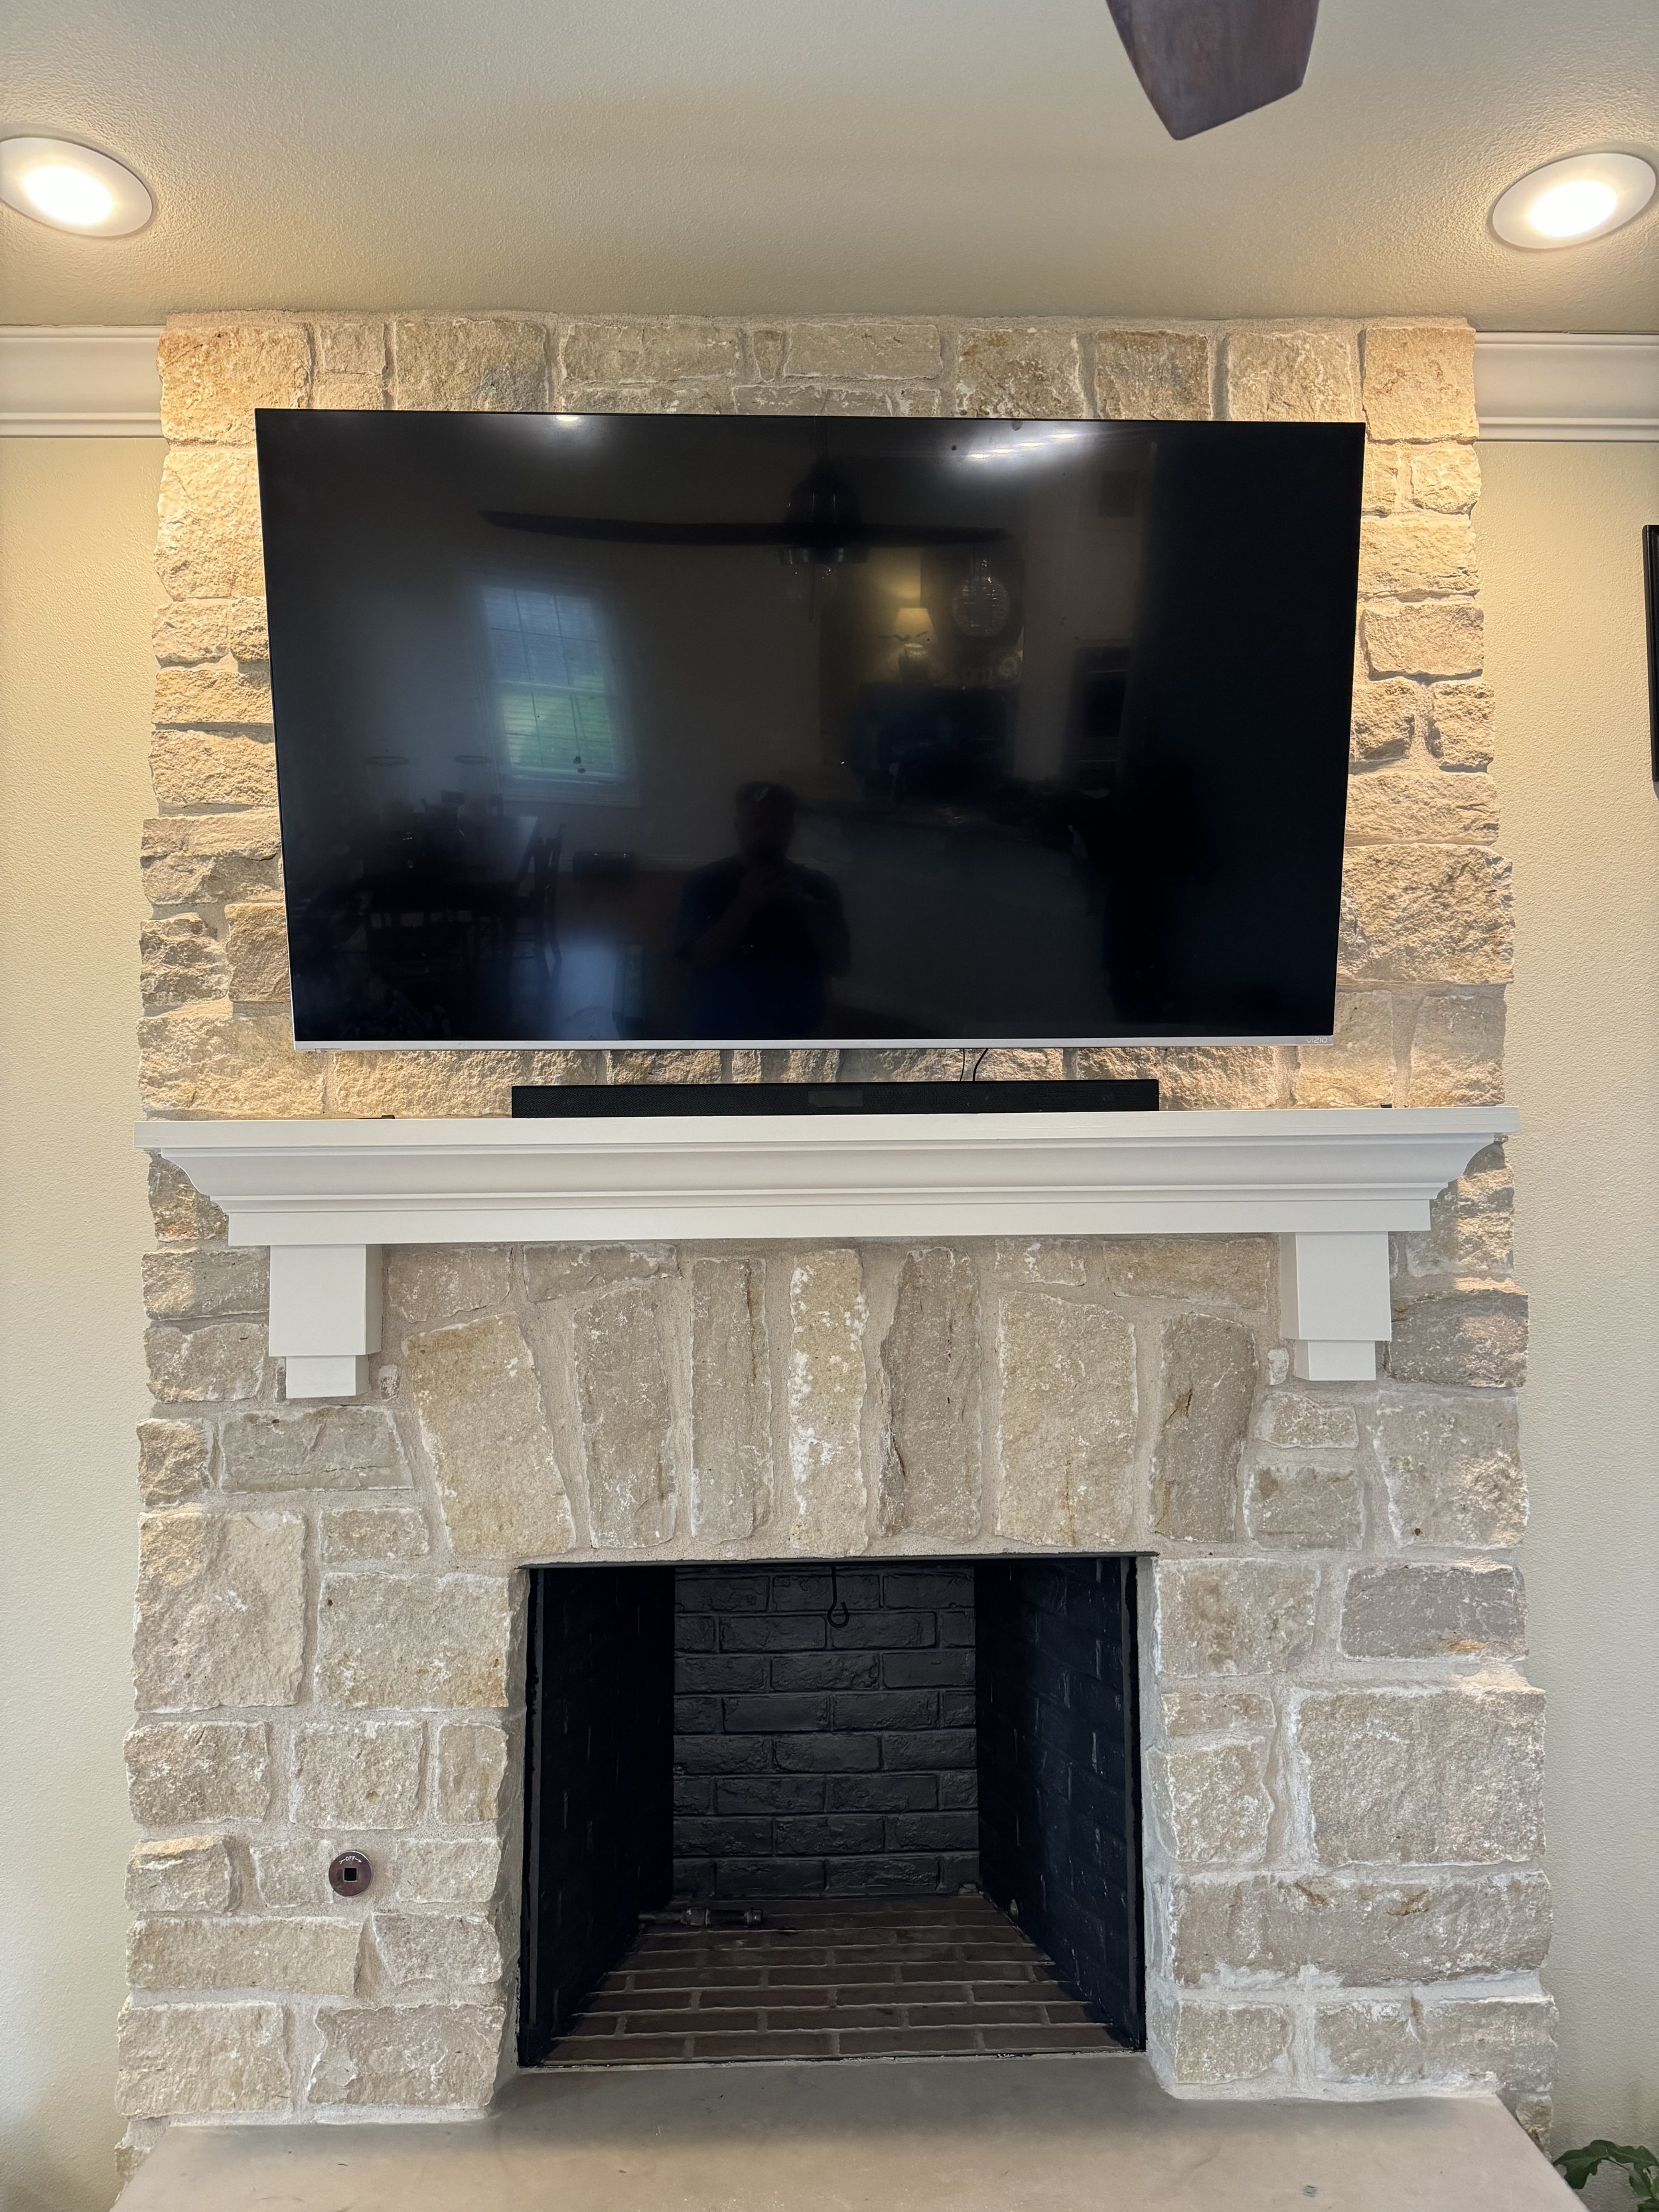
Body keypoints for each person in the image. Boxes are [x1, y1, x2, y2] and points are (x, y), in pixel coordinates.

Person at [676, 782, 849, 1038]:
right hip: (722, 1032)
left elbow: (840, 965)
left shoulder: (818, 888)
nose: (766, 836)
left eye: (777, 827)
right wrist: (745, 904)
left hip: (797, 1034)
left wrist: (802, 904)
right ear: (738, 827)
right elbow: (698, 960)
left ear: (791, 830)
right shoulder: (705, 884)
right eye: (756, 825)